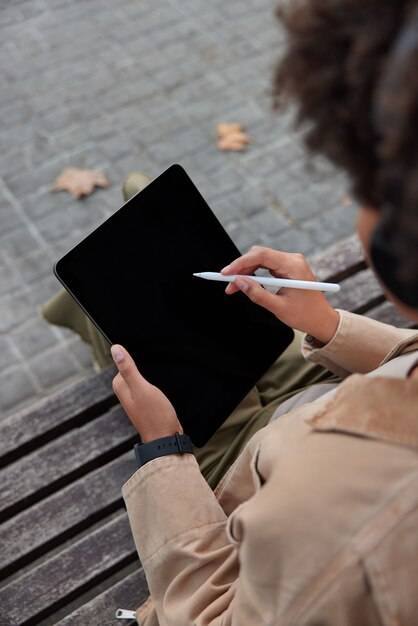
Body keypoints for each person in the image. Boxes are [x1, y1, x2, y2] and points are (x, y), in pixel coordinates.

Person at [109, 1, 418, 624]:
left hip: (234, 485)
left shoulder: (350, 520)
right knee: (155, 231)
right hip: (322, 398)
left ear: (395, 242)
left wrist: (161, 451)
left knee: (128, 300)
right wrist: (330, 328)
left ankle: (78, 308)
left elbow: (207, 613)